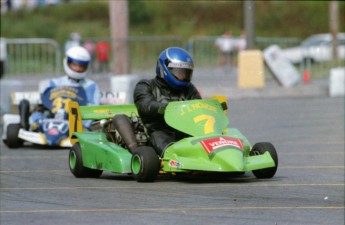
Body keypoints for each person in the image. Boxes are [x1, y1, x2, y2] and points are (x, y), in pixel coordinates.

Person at [132, 47, 201, 156]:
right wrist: (170, 108)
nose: (183, 77)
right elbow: (146, 106)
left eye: (186, 73)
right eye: (180, 72)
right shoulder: (145, 86)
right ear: (164, 68)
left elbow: (199, 107)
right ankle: (175, 156)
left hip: (184, 132)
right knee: (157, 135)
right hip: (157, 133)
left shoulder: (189, 89)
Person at [19, 46, 100, 131]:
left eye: (81, 66)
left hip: (77, 119)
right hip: (54, 114)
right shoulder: (54, 82)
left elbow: (92, 108)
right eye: (74, 65)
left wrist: (83, 124)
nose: (78, 68)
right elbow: (45, 101)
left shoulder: (91, 86)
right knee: (38, 113)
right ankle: (32, 125)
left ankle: (79, 129)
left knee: (91, 119)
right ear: (67, 63)